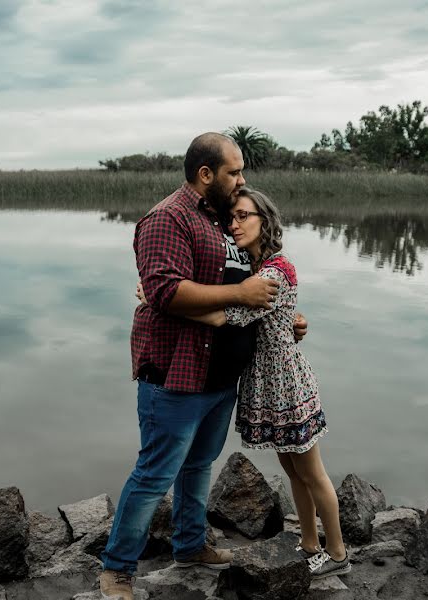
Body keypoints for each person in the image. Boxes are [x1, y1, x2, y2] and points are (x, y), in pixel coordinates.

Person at [99, 133, 307, 600]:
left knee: (199, 466)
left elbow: (246, 284)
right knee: (154, 473)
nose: (242, 179)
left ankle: (190, 545)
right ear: (206, 174)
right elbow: (165, 291)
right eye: (234, 171)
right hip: (176, 374)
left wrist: (282, 319)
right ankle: (116, 571)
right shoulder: (166, 219)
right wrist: (240, 296)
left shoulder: (221, 220)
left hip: (219, 377)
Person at [178, 187, 350, 580]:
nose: (234, 224)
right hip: (269, 383)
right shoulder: (257, 269)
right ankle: (309, 543)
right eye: (231, 218)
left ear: (264, 221)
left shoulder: (273, 272)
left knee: (313, 473)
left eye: (244, 216)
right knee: (293, 471)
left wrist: (166, 303)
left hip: (286, 384)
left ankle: (337, 552)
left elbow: (226, 317)